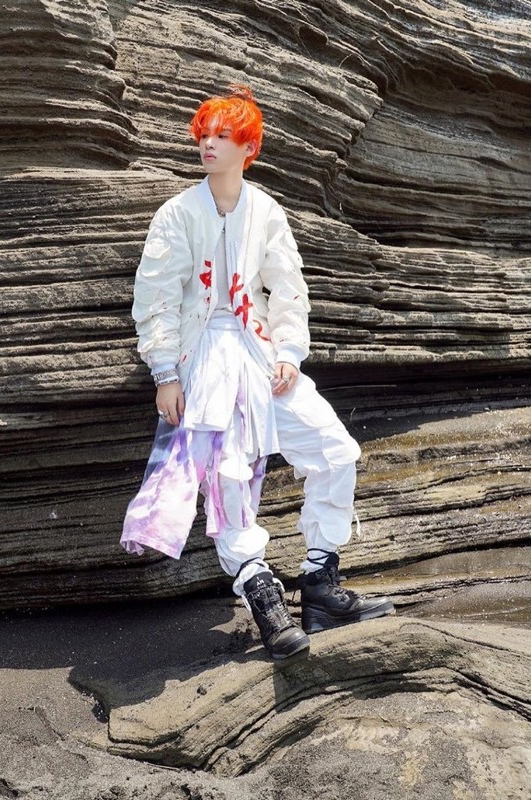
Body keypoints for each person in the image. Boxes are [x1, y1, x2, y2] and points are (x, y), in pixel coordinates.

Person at [120, 85, 394, 662]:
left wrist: (290, 352)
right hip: (204, 359)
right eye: (205, 135)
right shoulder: (177, 213)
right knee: (228, 479)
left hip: (261, 354)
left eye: (223, 136)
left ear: (249, 148)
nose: (209, 144)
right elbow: (156, 297)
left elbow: (288, 286)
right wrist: (165, 373)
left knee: (334, 450)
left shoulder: (266, 210)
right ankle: (262, 596)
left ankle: (320, 586)